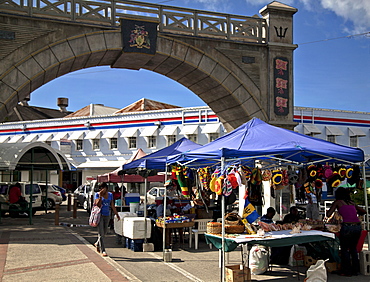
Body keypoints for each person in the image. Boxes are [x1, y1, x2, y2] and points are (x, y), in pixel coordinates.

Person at [326, 187, 365, 277]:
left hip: (347, 227)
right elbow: (364, 211)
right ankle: (355, 270)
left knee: (344, 249)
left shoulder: (338, 202)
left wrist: (336, 209)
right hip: (357, 227)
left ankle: (346, 271)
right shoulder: (351, 203)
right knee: (353, 249)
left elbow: (328, 215)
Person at [94, 182, 120, 257]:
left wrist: (116, 214)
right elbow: (97, 204)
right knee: (101, 233)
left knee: (105, 232)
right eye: (100, 188)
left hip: (107, 215)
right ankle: (103, 250)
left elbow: (112, 205)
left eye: (103, 188)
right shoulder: (97, 194)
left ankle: (97, 243)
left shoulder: (110, 195)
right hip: (99, 215)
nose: (101, 189)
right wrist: (100, 196)